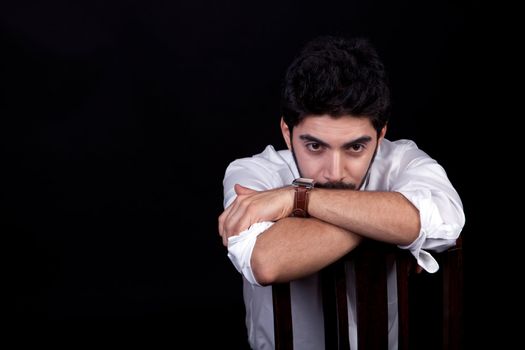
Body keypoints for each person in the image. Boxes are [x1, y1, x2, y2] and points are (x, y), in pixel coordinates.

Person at [218, 35, 465, 350]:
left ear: (381, 134)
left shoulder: (402, 161)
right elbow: (266, 260)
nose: (334, 172)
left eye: (356, 147)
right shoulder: (252, 174)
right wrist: (386, 226)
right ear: (286, 132)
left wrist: (298, 198)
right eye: (315, 146)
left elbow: (445, 219)